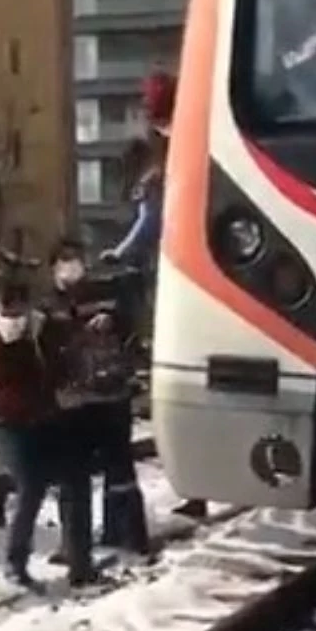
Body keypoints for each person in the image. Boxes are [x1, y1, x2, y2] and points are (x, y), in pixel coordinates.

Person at [103, 70, 208, 522]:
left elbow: (152, 222)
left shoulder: (169, 162)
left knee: (182, 388)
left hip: (184, 276)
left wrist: (120, 254)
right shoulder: (194, 142)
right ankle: (198, 489)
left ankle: (196, 488)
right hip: (199, 270)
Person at [0, 277, 95, 591]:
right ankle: (15, 562)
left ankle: (80, 560)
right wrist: (47, 384)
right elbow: (6, 386)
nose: (16, 318)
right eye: (9, 311)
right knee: (31, 488)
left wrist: (67, 375)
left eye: (20, 309)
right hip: (13, 423)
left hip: (51, 419)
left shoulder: (44, 331)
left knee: (76, 483)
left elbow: (65, 360)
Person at [44, 247, 150, 560]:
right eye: (63, 261)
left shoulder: (105, 295)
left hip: (111, 396)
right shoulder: (48, 306)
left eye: (75, 260)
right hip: (73, 404)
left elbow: (130, 333)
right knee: (73, 477)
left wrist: (114, 325)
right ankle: (74, 544)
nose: (71, 268)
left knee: (120, 470)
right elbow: (47, 351)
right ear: (53, 269)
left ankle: (127, 534)